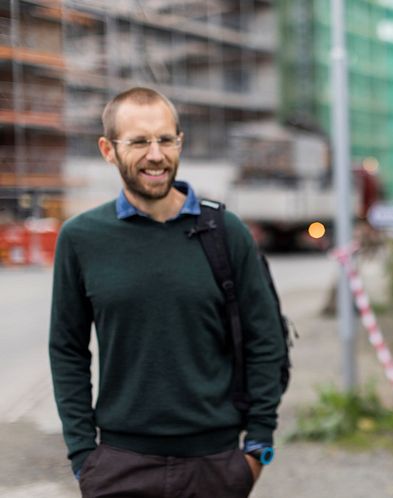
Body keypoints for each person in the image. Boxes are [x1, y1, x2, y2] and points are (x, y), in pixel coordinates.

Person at [49, 87, 286, 498]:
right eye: (139, 142)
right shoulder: (81, 238)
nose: (156, 155)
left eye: (165, 139)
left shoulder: (225, 231)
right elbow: (67, 349)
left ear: (180, 142)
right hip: (119, 464)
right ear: (108, 150)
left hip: (216, 464)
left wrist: (258, 445)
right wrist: (83, 454)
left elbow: (266, 339)